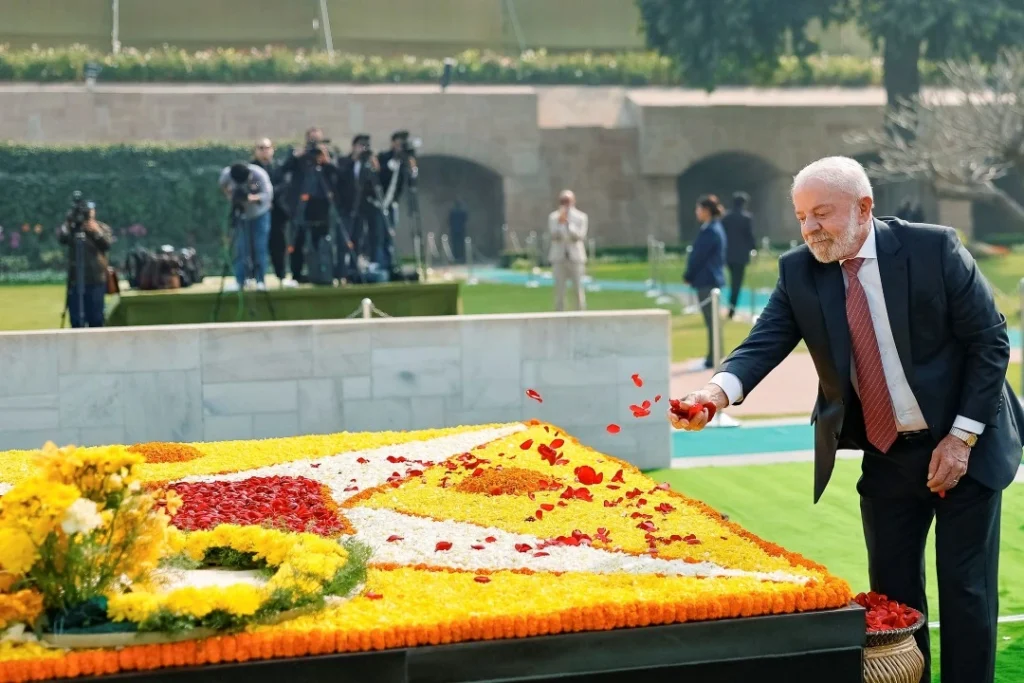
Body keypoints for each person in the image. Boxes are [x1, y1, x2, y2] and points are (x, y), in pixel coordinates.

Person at [669, 156, 1023, 683]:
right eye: (801, 216)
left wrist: (961, 439)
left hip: (965, 441)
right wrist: (714, 395)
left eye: (822, 214)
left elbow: (991, 343)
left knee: (966, 588)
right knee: (893, 598)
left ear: (864, 208)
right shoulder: (799, 271)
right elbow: (763, 343)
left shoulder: (934, 249)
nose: (810, 228)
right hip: (887, 453)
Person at [281, 127, 338, 283]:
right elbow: (283, 169)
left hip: (320, 204)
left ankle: (322, 272)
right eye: (312, 140)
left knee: (321, 239)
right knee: (297, 239)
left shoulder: (327, 154)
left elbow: (337, 175)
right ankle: (296, 274)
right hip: (300, 203)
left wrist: (326, 160)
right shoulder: (299, 155)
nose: (314, 144)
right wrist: (297, 156)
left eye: (317, 140)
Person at [684, 194, 727, 369]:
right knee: (712, 321)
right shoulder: (712, 228)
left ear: (706, 210)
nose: (697, 212)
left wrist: (689, 274)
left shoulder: (711, 231)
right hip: (709, 278)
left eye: (699, 208)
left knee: (712, 321)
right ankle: (715, 354)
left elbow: (698, 257)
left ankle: (713, 358)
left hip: (707, 280)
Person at [218, 161, 273, 292]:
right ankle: (240, 280)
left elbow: (267, 195)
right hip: (242, 215)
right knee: (241, 248)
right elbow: (222, 185)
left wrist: (250, 198)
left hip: (259, 214)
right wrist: (231, 196)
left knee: (259, 247)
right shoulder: (227, 174)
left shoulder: (258, 176)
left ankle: (260, 281)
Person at [57, 202, 113, 328]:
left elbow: (107, 245)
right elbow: (62, 238)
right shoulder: (73, 229)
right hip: (76, 280)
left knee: (96, 318)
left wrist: (95, 231)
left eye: (89, 211)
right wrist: (68, 222)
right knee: (76, 319)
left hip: (96, 279)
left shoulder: (101, 228)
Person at [336, 134, 383, 279]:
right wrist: (354, 161)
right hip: (347, 208)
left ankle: (358, 268)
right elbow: (340, 179)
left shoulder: (369, 164)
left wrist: (374, 168)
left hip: (363, 209)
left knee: (361, 238)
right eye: (360, 145)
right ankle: (343, 270)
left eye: (366, 146)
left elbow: (375, 186)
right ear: (354, 147)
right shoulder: (345, 161)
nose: (363, 149)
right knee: (345, 240)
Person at [250, 138, 296, 288]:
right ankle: (255, 278)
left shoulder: (277, 167)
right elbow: (253, 185)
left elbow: (283, 184)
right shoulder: (252, 169)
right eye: (261, 148)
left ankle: (282, 276)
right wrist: (263, 195)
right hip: (258, 212)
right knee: (256, 246)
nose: (264, 151)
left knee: (279, 245)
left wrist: (269, 194)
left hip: (277, 212)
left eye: (267, 148)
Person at [547, 189, 588, 311]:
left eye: (567, 201)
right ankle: (559, 315)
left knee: (578, 289)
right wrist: (560, 223)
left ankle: (580, 314)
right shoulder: (553, 217)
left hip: (575, 258)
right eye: (562, 201)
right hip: (559, 258)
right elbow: (554, 236)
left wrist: (569, 225)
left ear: (573, 201)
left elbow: (579, 236)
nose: (565, 203)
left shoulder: (581, 217)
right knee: (559, 291)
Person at [720, 191, 755, 319]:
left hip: (728, 254)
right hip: (741, 256)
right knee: (737, 283)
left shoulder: (726, 217)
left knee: (730, 282)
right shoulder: (746, 218)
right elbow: (749, 236)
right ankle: (732, 309)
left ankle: (729, 307)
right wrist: (753, 248)